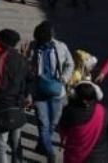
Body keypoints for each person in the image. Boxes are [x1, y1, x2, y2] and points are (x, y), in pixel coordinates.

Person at [27, 21, 74, 163]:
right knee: (43, 123)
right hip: (39, 91)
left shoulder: (60, 47)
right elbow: (28, 68)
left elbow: (70, 63)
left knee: (53, 122)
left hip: (56, 91)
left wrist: (64, 79)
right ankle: (50, 153)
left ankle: (42, 144)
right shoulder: (33, 47)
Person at [0, 29, 30, 163]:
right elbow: (29, 78)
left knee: (0, 143)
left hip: (4, 104)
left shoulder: (2, 58)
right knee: (16, 140)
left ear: (3, 42)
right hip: (18, 104)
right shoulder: (22, 59)